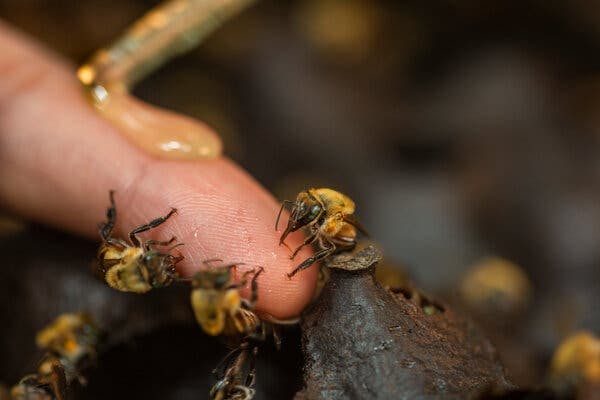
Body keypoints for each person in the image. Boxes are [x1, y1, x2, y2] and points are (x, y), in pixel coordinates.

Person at [0, 21, 317, 319]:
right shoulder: (143, 264)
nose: (164, 261)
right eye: (161, 267)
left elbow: (118, 240)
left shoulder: (130, 252)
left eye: (156, 265)